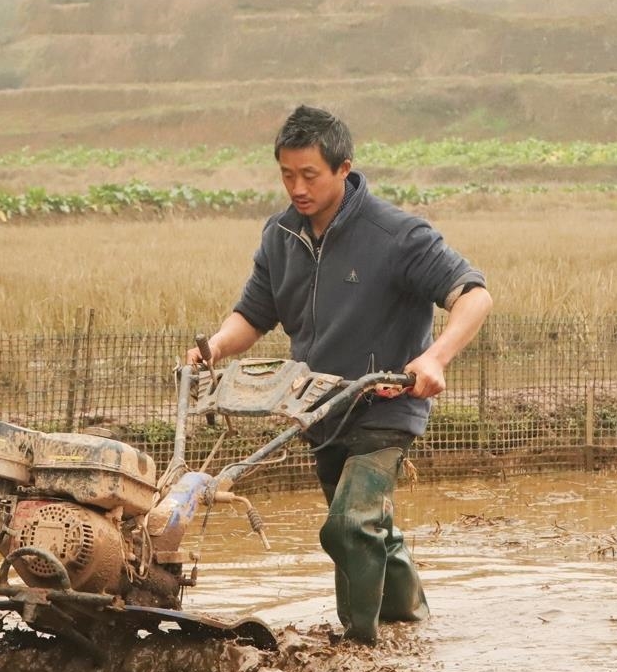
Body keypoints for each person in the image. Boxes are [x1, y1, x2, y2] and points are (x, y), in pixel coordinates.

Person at [188, 105, 492, 643]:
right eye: (287, 174)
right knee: (371, 530)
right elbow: (254, 315)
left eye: (310, 175)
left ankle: (360, 652)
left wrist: (434, 358)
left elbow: (473, 295)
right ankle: (413, 629)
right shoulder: (281, 235)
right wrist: (213, 348)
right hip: (320, 407)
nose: (297, 187)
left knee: (351, 526)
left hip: (384, 402)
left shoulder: (395, 234)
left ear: (343, 168)